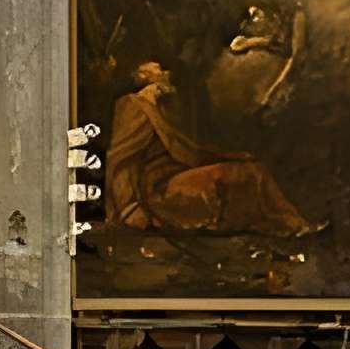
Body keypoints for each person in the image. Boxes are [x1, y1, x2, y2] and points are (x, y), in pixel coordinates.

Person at [105, 60, 318, 236]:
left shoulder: (167, 104)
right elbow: (123, 157)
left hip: (178, 174)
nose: (164, 72)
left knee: (253, 169)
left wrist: (233, 156)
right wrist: (129, 207)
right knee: (229, 174)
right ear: (143, 75)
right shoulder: (133, 104)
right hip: (158, 189)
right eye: (157, 69)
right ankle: (291, 224)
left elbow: (190, 151)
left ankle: (291, 223)